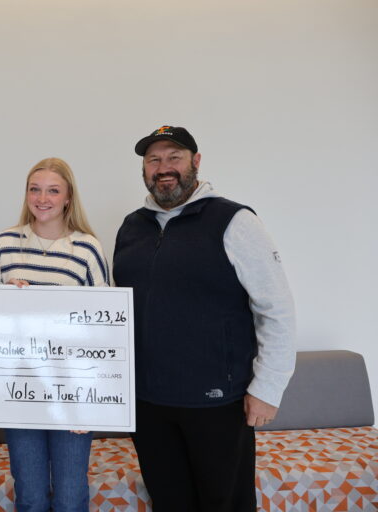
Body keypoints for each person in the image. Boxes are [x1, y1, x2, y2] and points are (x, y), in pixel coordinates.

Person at [113, 125, 296, 511]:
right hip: (147, 403)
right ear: (144, 169)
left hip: (217, 403)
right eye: (154, 160)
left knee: (224, 503)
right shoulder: (132, 227)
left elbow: (276, 307)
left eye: (174, 157)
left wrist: (268, 388)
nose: (164, 168)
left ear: (195, 162)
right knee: (169, 502)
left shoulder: (234, 221)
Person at [0, 157, 109, 512]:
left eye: (53, 190)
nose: (43, 198)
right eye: (35, 189)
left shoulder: (87, 248)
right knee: (30, 495)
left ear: (69, 197)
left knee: (71, 496)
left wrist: (93, 401)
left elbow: (103, 328)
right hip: (19, 392)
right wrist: (6, 296)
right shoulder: (4, 245)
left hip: (73, 393)